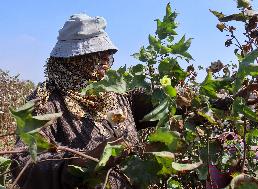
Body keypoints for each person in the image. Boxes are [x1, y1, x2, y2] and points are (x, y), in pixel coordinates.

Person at [11, 13, 153, 189]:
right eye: (99, 57)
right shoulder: (44, 103)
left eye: (108, 57)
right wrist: (83, 162)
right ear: (74, 60)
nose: (107, 65)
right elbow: (24, 163)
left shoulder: (117, 94)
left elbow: (154, 108)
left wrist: (180, 102)